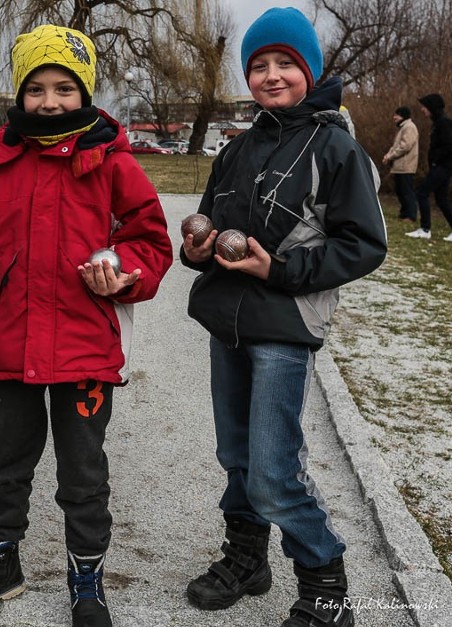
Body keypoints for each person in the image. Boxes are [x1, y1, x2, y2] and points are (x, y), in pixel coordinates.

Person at [0, 24, 173, 626]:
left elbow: (150, 243)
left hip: (85, 351)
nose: (50, 101)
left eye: (65, 88)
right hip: (11, 345)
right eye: (36, 89)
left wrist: (126, 273)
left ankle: (86, 574)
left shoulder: (112, 163)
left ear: (84, 92)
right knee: (7, 462)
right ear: (20, 93)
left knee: (83, 473)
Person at [180, 8, 386, 627]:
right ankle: (247, 559)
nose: (272, 75)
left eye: (286, 64)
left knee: (273, 470)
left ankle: (326, 584)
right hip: (228, 325)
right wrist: (196, 249)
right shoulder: (237, 148)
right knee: (236, 456)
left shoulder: (334, 147)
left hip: (285, 327)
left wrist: (279, 270)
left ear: (310, 70)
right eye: (259, 65)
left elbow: (363, 244)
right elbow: (209, 223)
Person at [407, 94, 452, 241]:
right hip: (440, 166)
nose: (422, 109)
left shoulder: (444, 123)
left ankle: (425, 229)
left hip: (443, 166)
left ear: (432, 107)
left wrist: (435, 161)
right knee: (441, 199)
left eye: (424, 107)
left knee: (421, 192)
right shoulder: (438, 123)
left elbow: (447, 146)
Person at [382, 106, 419, 222]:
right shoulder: (402, 128)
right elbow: (395, 146)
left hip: (406, 166)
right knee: (400, 191)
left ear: (403, 116)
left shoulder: (409, 127)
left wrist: (391, 156)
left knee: (406, 191)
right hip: (399, 166)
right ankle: (404, 213)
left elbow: (405, 146)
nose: (394, 117)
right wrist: (388, 155)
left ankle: (411, 215)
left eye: (396, 115)